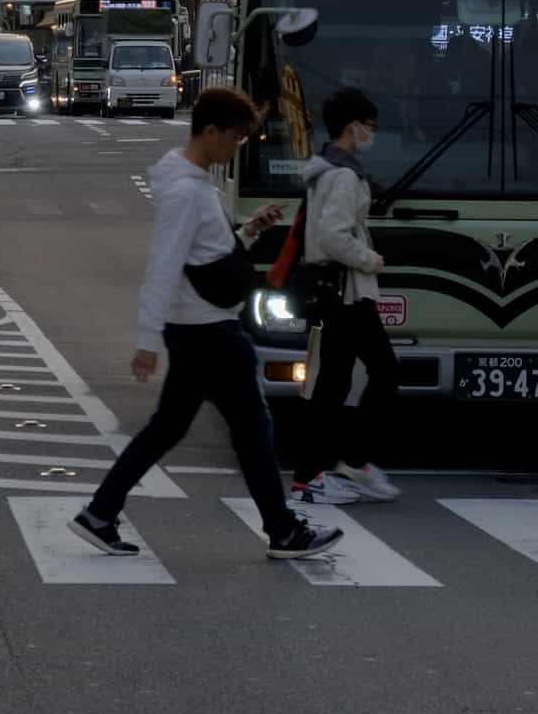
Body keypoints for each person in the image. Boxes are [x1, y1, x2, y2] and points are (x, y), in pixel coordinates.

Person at [72, 87, 343, 561]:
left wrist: (249, 231)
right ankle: (283, 531)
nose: (235, 149)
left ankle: (99, 513)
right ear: (210, 131)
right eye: (235, 139)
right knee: (252, 431)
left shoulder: (193, 186)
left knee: (170, 429)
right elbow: (164, 264)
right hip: (210, 332)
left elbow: (204, 255)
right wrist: (145, 339)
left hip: (199, 328)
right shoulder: (185, 193)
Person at [289, 87, 405, 507]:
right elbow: (334, 235)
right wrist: (369, 259)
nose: (371, 133)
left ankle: (314, 474)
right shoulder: (343, 175)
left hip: (335, 292)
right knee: (383, 372)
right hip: (348, 292)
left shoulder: (326, 169)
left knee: (332, 384)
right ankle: (349, 463)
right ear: (352, 126)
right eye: (369, 126)